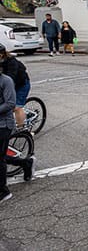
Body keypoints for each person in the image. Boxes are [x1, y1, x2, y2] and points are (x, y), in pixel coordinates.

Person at [1, 66, 35, 202]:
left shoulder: (6, 81)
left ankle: (3, 191)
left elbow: (10, 104)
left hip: (3, 124)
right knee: (1, 155)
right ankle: (26, 163)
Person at [0, 44, 31, 128]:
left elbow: (10, 79)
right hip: (9, 85)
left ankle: (23, 130)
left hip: (22, 85)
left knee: (16, 107)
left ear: (1, 54)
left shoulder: (11, 62)